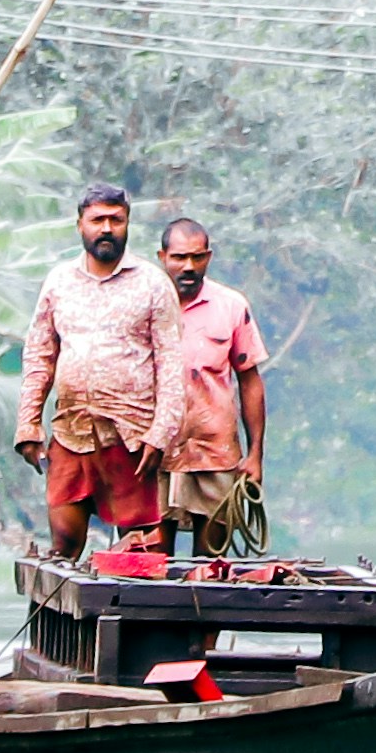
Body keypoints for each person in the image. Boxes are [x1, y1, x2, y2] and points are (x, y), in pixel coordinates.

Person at [15, 183, 185, 559]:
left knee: (140, 551)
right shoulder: (59, 282)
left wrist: (161, 435)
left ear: (127, 224)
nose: (106, 228)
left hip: (133, 437)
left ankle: (134, 600)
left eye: (115, 220)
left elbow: (172, 365)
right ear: (80, 225)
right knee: (63, 545)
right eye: (97, 220)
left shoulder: (153, 283)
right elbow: (40, 355)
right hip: (71, 431)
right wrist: (28, 423)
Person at [155, 217, 270, 561]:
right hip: (153, 452)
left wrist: (255, 454)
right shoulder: (143, 304)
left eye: (197, 257)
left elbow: (249, 380)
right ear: (162, 257)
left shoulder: (231, 306)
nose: (188, 267)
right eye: (179, 257)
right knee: (150, 558)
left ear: (208, 257)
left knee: (210, 562)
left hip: (215, 453)